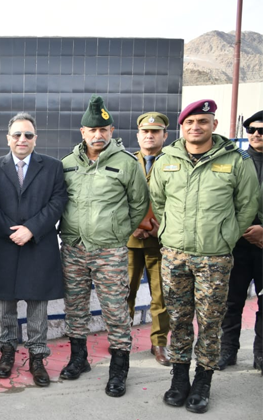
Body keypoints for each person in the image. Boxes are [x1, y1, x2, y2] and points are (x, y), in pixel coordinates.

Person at [150, 99, 258, 413]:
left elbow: (248, 204)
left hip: (215, 257)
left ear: (214, 125)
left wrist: (227, 236)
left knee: (210, 321)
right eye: (189, 122)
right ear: (181, 127)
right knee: (178, 319)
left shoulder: (236, 160)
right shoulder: (167, 159)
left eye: (202, 121)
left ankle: (203, 380)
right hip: (175, 255)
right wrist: (170, 231)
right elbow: (158, 201)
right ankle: (179, 378)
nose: (195, 127)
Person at [59, 95, 148, 398]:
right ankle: (79, 358)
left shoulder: (126, 164)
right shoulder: (68, 164)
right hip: (74, 247)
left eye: (103, 130)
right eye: (92, 130)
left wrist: (118, 232)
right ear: (82, 132)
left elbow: (139, 204)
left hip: (109, 250)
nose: (98, 135)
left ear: (112, 131)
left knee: (115, 309)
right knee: (75, 306)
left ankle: (119, 368)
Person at [0, 112, 67, 387]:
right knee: (5, 305)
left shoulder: (53, 167)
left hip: (38, 244)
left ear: (35, 138)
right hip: (4, 244)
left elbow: (57, 202)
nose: (22, 139)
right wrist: (12, 231)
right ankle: (7, 351)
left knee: (37, 304)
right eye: (17, 134)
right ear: (8, 138)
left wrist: (31, 229)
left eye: (28, 135)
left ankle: (37, 356)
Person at [216, 110, 263, 374]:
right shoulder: (236, 161)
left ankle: (261, 354)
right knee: (231, 301)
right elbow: (222, 200)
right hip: (237, 242)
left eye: (262, 130)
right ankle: (227, 350)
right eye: (251, 130)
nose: (256, 134)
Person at [126, 112, 172, 366]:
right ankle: (122, 340)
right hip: (130, 241)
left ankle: (159, 343)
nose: (149, 136)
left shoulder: (174, 162)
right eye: (145, 131)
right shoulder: (127, 161)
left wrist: (161, 228)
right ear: (138, 135)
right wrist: (132, 226)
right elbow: (116, 197)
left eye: (155, 132)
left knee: (160, 296)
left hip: (161, 241)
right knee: (125, 293)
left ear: (165, 135)